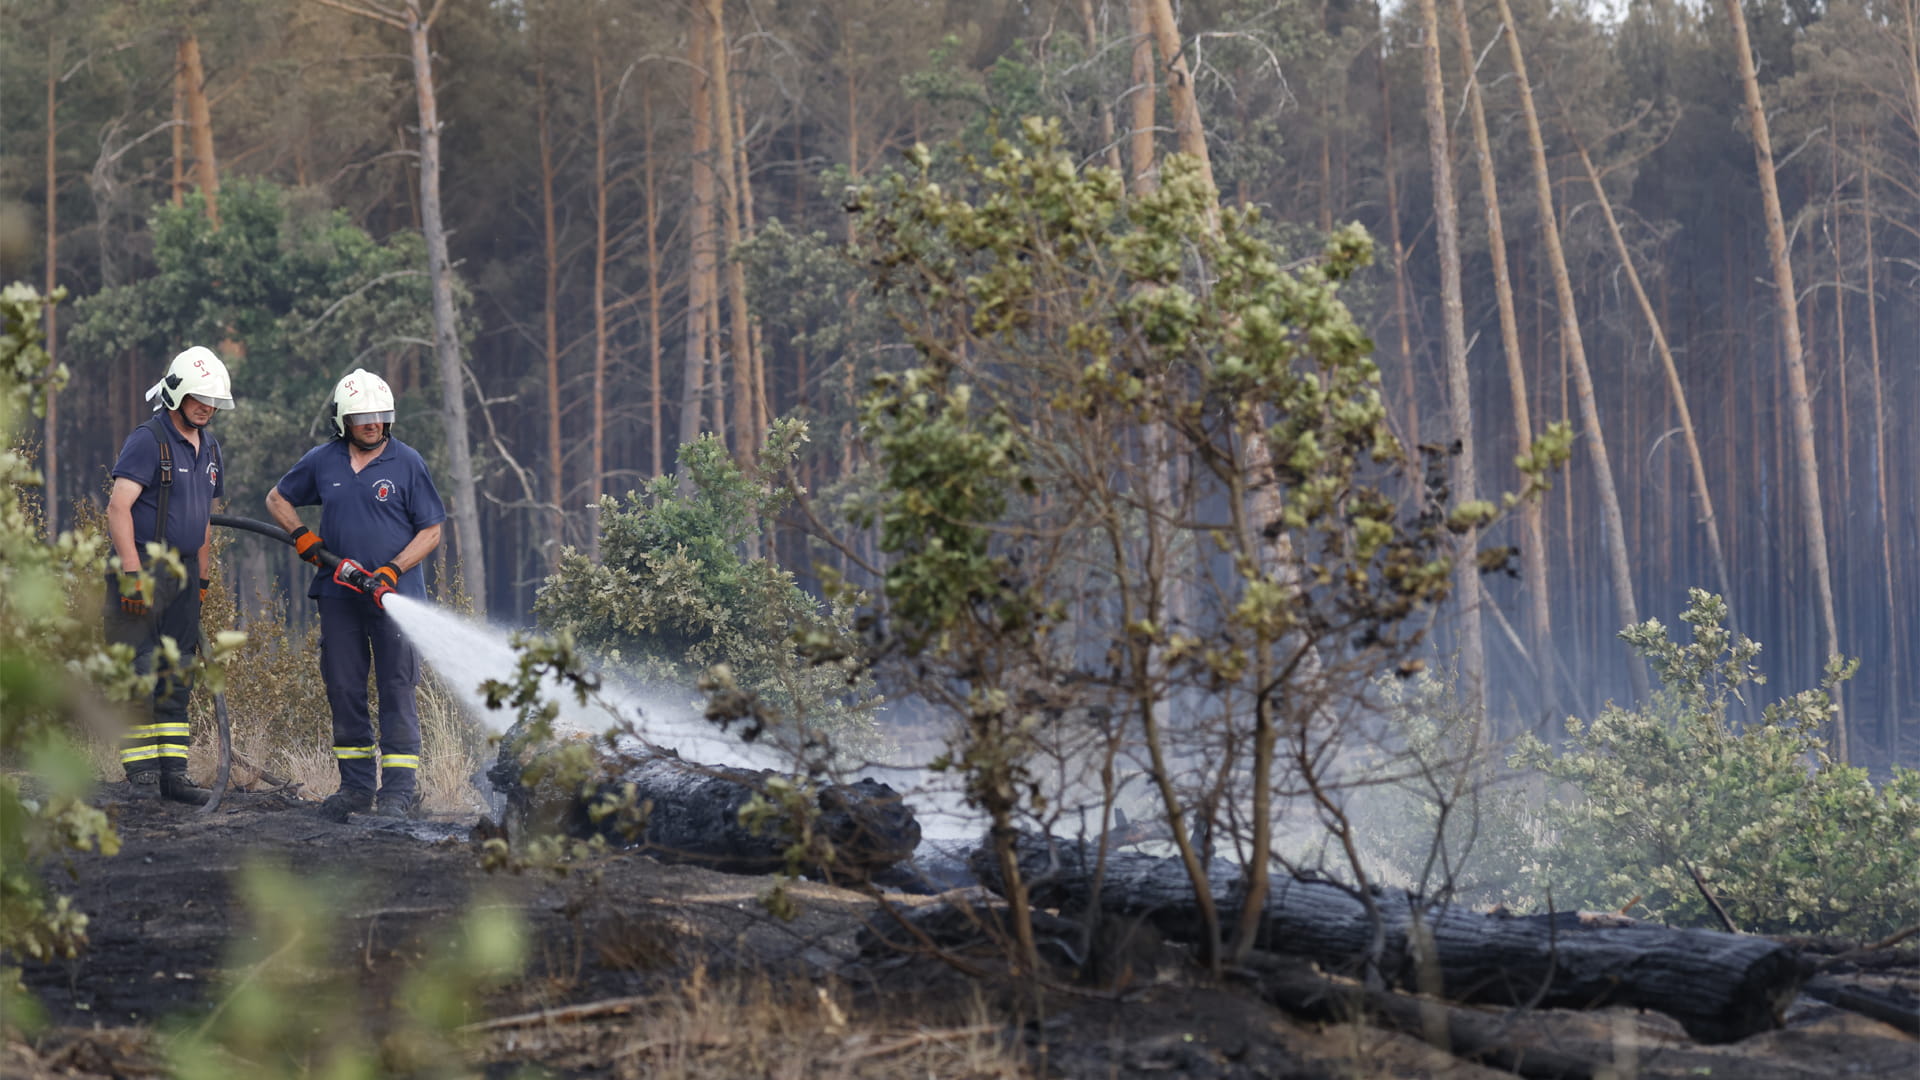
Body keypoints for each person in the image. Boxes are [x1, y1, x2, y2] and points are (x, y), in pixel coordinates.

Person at [266, 369, 444, 821]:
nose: (372, 424)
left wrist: (392, 569)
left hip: (396, 599)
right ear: (343, 421)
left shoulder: (408, 463)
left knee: (397, 688)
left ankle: (398, 792)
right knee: (344, 688)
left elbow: (431, 531)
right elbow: (277, 499)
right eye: (362, 417)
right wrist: (303, 537)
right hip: (338, 596)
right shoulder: (322, 461)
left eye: (379, 416)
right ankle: (356, 789)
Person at [105, 345, 234, 805]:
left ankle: (174, 776)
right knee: (140, 668)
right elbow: (118, 509)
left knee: (178, 673)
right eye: (200, 397)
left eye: (213, 400)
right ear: (177, 394)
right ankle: (142, 774)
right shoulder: (149, 440)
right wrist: (132, 573)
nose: (206, 407)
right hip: (142, 564)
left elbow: (204, 522)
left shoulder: (210, 447)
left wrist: (202, 580)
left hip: (184, 575)